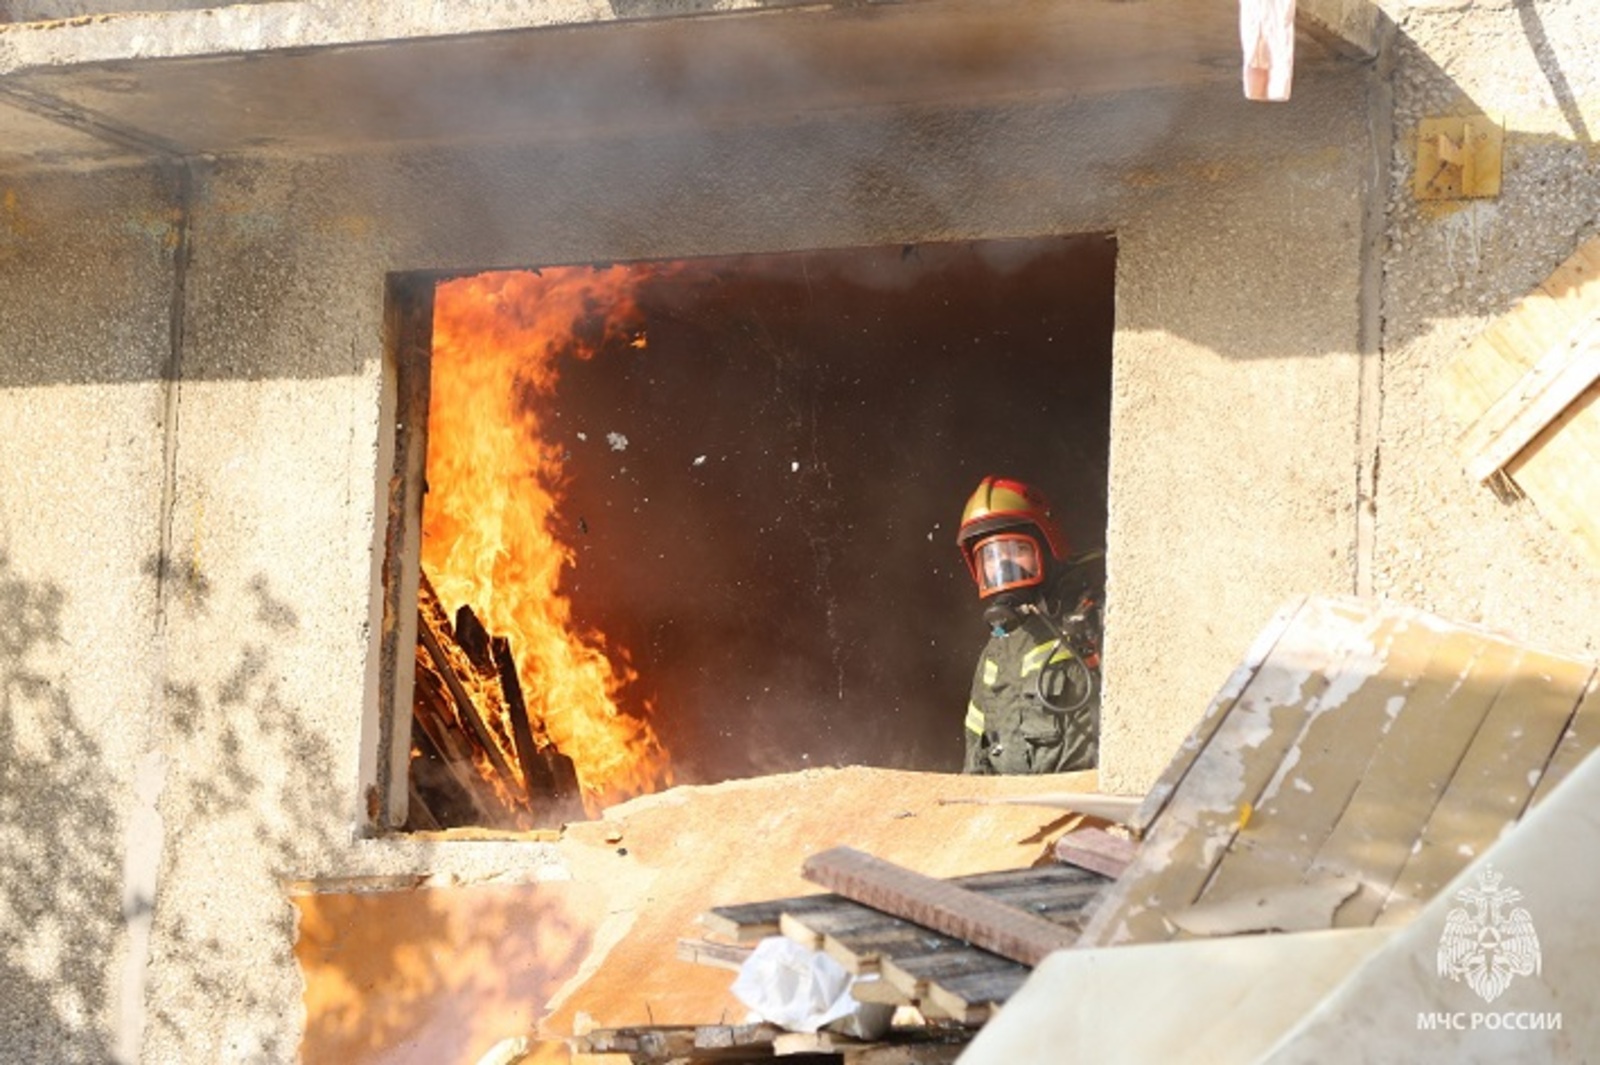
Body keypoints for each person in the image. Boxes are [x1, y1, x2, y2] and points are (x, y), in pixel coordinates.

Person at [955, 476, 1105, 775]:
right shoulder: (994, 654)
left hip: (1082, 811)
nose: (1003, 566)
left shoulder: (1097, 621)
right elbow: (976, 760)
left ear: (1049, 548)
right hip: (1017, 816)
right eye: (990, 556)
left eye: (1016, 550)